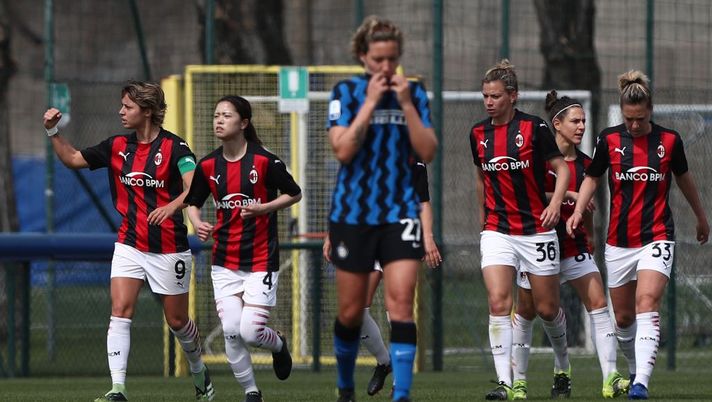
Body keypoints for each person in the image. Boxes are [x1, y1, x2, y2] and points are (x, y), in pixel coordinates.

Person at [42, 81, 215, 401]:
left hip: (169, 248)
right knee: (120, 310)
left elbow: (196, 187)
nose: (121, 112)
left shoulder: (177, 149)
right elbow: (74, 159)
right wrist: (54, 133)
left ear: (147, 112)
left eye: (128, 107)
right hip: (129, 242)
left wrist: (171, 206)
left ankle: (198, 369)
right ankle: (117, 389)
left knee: (177, 321)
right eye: (122, 106)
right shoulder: (117, 146)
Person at [567, 71, 709, 400]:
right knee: (624, 318)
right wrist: (577, 210)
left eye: (640, 119)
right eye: (629, 119)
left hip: (657, 235)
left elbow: (685, 179)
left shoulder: (669, 142)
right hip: (618, 241)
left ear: (651, 110)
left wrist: (701, 216)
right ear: (622, 111)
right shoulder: (609, 140)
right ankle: (634, 370)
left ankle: (642, 383)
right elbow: (591, 178)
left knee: (647, 303)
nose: (633, 125)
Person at [326, 15, 438, 402]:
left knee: (401, 303)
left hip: (400, 212)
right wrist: (371, 102)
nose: (386, 67)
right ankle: (345, 387)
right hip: (354, 215)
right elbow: (342, 148)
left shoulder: (416, 93)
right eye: (378, 59)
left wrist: (405, 103)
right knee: (351, 311)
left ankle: (401, 393)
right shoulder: (346, 92)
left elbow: (428, 151)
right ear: (363, 57)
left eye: (392, 59)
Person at [511, 90, 629, 400]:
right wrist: (571, 196)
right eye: (575, 121)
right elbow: (530, 197)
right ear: (557, 124)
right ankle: (522, 379)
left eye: (584, 121)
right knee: (529, 312)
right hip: (537, 247)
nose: (581, 127)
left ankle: (610, 378)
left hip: (574, 247)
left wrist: (588, 237)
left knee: (599, 305)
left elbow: (588, 210)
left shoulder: (589, 165)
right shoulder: (537, 159)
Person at [185, 95, 301, 402]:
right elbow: (192, 203)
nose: (219, 120)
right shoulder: (208, 165)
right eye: (216, 115)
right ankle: (252, 392)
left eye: (226, 115)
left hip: (261, 258)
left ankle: (278, 344)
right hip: (224, 261)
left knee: (250, 331)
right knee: (231, 332)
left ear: (244, 123)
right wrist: (197, 222)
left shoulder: (264, 161)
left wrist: (265, 208)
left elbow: (294, 193)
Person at [469, 60, 570, 401]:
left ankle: (563, 365)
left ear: (513, 96)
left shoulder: (535, 128)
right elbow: (482, 178)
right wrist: (484, 218)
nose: (489, 102)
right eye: (485, 96)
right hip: (498, 229)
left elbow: (561, 169)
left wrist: (555, 203)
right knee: (499, 301)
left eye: (495, 96)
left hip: (536, 230)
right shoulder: (478, 134)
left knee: (546, 309)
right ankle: (506, 383)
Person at [322, 160, 443, 397]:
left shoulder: (412, 159)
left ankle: (400, 382)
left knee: (398, 308)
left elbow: (423, 203)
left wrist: (427, 238)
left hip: (401, 235)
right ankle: (384, 362)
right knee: (355, 309)